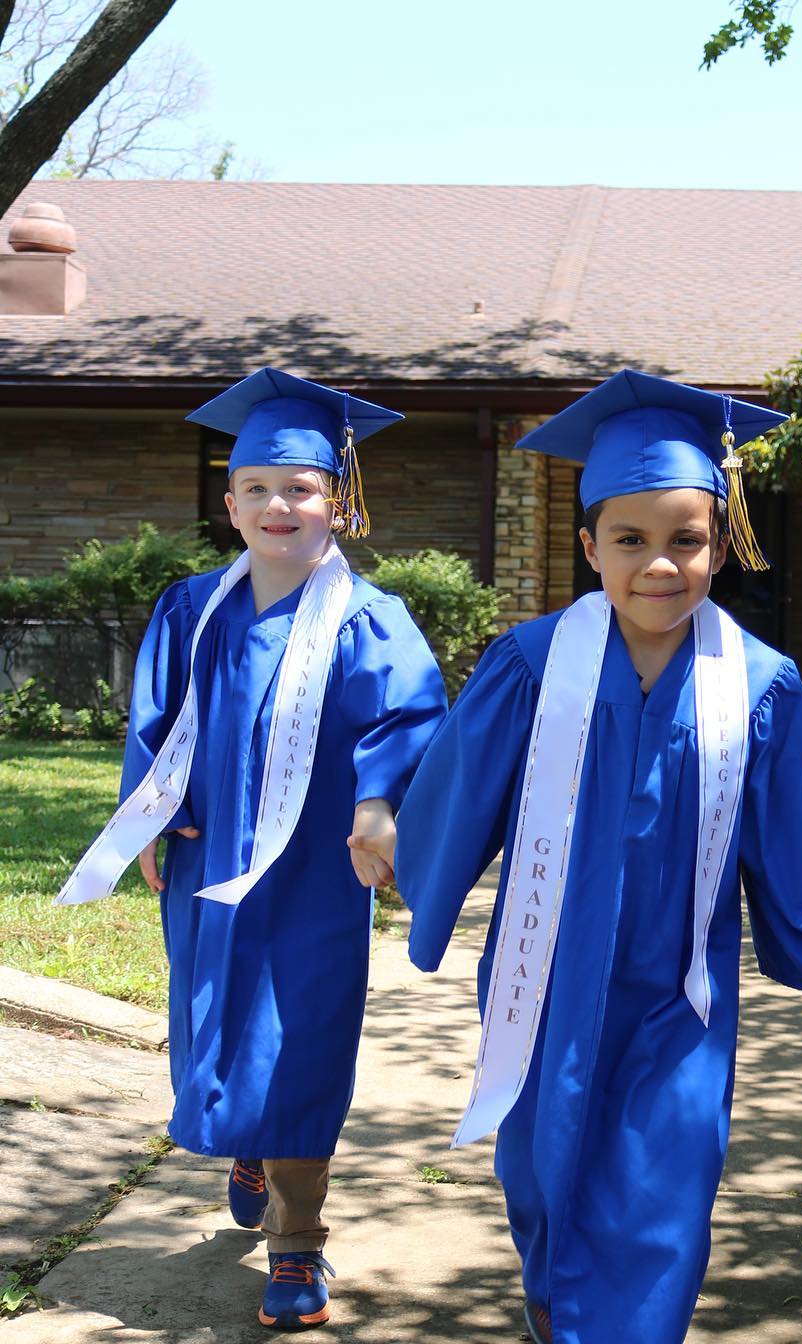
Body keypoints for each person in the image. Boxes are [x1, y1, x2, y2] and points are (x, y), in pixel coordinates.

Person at [383, 369, 802, 1344]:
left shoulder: (762, 688)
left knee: (662, 1191)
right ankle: (555, 1297)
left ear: (722, 542)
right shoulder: (530, 666)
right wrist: (410, 872)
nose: (661, 565)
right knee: (538, 1168)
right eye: (632, 540)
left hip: (681, 996)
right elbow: (456, 795)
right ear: (589, 548)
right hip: (543, 980)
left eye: (687, 540)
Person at [57, 367, 448, 1331]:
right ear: (228, 504)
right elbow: (156, 724)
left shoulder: (370, 619)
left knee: (305, 1034)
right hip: (208, 859)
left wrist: (378, 808)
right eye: (259, 487)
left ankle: (298, 1235)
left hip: (317, 869)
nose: (281, 504)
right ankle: (253, 1143)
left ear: (338, 505)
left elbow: (405, 721)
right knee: (218, 1018)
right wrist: (150, 812)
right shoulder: (192, 610)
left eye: (302, 487)